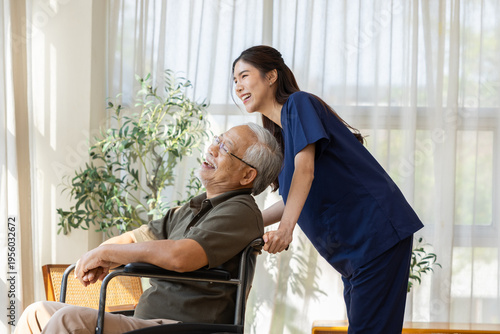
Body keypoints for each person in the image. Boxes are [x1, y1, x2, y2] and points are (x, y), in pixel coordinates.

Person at [15, 123, 282, 334]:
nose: (212, 149)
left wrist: (111, 255)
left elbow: (181, 255)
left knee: (68, 321)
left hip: (182, 327)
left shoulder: (241, 211)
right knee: (36, 313)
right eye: (217, 140)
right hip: (147, 322)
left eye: (225, 148)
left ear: (247, 176)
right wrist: (101, 254)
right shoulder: (192, 207)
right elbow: (135, 238)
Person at [232, 45, 424, 334]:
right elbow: (294, 198)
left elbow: (305, 173)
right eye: (234, 81)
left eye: (244, 75)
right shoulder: (282, 134)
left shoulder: (299, 104)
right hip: (354, 251)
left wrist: (285, 230)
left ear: (271, 76)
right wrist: (248, 223)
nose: (238, 86)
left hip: (375, 236)